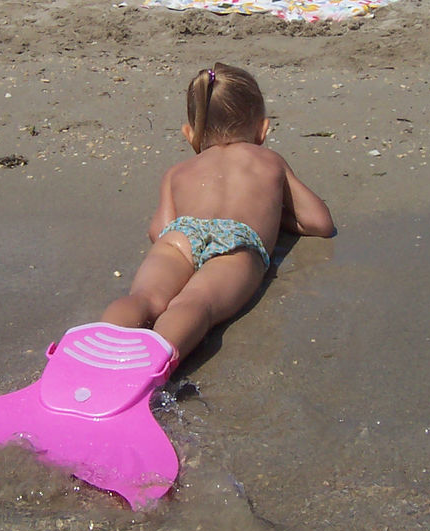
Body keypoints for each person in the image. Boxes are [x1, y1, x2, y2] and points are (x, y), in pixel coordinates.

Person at [99, 63, 335, 358]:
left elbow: (158, 230)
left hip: (180, 236)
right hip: (235, 241)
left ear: (189, 133)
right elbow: (319, 222)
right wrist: (276, 215)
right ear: (263, 129)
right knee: (196, 303)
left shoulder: (177, 171)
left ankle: (102, 350)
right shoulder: (269, 160)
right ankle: (153, 364)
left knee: (145, 297)